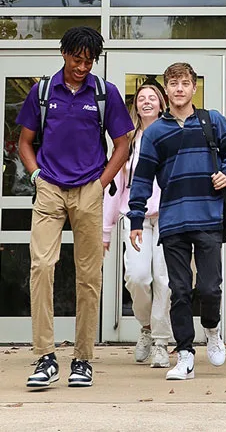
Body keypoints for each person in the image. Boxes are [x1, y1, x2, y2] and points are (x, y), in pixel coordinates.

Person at [17, 26, 133, 388]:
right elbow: (25, 141)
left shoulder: (104, 93)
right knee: (41, 266)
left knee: (89, 277)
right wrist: (36, 176)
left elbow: (122, 144)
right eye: (76, 58)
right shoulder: (42, 91)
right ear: (64, 53)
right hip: (50, 188)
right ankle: (44, 356)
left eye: (89, 61)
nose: (82, 66)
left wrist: (100, 184)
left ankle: (82, 358)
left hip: (88, 189)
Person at [127, 62, 226, 381]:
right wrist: (136, 217)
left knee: (209, 288)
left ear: (194, 88)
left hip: (208, 217)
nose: (179, 88)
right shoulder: (155, 132)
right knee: (178, 290)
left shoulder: (212, 121)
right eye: (173, 83)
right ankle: (186, 354)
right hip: (174, 220)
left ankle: (212, 329)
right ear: (167, 90)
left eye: (185, 83)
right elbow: (141, 178)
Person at [103, 84, 173, 368]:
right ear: (136, 106)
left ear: (161, 104)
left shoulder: (173, 134)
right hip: (136, 219)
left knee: (165, 281)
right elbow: (116, 186)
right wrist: (106, 229)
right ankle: (146, 326)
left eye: (152, 98)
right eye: (141, 99)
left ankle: (160, 341)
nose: (146, 102)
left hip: (169, 217)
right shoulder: (128, 140)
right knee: (138, 277)